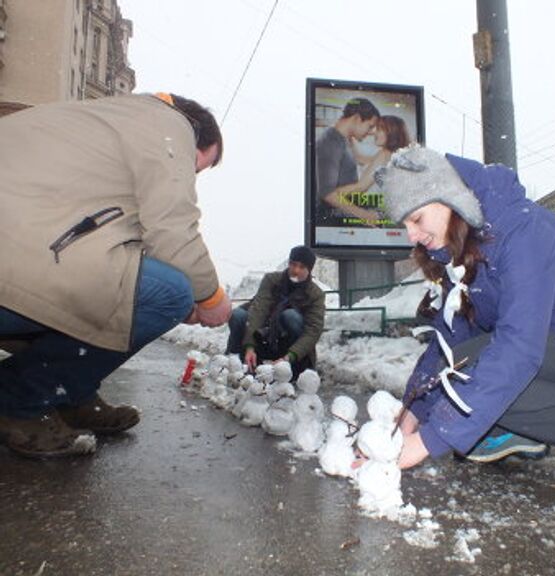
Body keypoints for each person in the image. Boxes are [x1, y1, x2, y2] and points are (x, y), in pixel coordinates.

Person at [377, 145, 555, 492]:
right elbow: (452, 338)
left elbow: (518, 346)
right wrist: (412, 410)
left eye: (415, 219)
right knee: (464, 365)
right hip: (550, 340)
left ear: (448, 200)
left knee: (475, 368)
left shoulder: (521, 230)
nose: (411, 235)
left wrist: (429, 441)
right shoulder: (460, 249)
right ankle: (521, 432)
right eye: (404, 224)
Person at [0, 92, 232, 458]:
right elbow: (173, 232)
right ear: (194, 133)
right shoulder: (168, 125)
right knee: (173, 294)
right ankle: (18, 399)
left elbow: (109, 245)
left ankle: (70, 394)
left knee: (142, 286)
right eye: (196, 168)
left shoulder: (108, 123)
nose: (191, 178)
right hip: (13, 271)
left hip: (18, 259)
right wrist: (211, 299)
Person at [226, 246, 325, 379]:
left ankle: (293, 369)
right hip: (263, 336)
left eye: (302, 267)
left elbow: (313, 331)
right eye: (293, 264)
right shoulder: (272, 281)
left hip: (288, 345)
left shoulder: (315, 294)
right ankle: (235, 363)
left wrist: (289, 357)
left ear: (309, 270)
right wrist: (250, 346)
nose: (296, 270)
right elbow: (259, 310)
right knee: (238, 315)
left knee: (291, 316)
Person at [323, 115, 411, 226]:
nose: (374, 132)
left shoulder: (384, 154)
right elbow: (361, 159)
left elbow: (360, 187)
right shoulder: (391, 154)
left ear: (391, 133)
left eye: (379, 129)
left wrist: (330, 194)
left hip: (371, 211)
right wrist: (350, 136)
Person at [315, 97, 380, 225]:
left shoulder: (346, 138)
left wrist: (389, 156)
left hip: (345, 210)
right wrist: (364, 215)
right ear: (356, 118)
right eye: (370, 126)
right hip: (332, 220)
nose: (371, 132)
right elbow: (327, 193)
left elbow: (360, 159)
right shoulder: (330, 141)